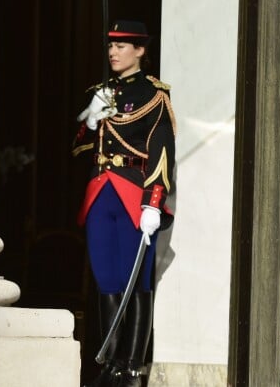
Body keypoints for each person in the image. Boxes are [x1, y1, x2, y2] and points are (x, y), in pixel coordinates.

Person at [72, 20, 176, 387]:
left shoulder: (153, 94)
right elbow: (80, 149)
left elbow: (162, 150)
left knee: (138, 282)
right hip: (101, 193)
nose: (113, 52)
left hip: (135, 194)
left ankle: (132, 366)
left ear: (140, 51)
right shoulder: (101, 92)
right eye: (111, 46)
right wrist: (89, 119)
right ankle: (111, 362)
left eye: (122, 46)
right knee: (107, 279)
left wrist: (154, 201)